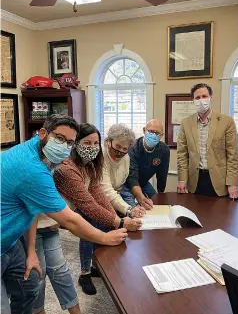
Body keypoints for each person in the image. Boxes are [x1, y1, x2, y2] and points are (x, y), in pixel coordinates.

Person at [1, 114, 127, 314]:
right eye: (59, 139)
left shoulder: (44, 154)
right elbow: (72, 220)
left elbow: (30, 208)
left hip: (14, 237)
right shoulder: (35, 169)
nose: (64, 146)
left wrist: (120, 220)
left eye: (69, 142)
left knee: (32, 286)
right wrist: (107, 235)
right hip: (13, 233)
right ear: (43, 133)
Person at [54, 123, 142, 295]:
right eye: (87, 143)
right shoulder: (66, 168)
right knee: (89, 222)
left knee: (102, 220)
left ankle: (96, 264)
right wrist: (120, 220)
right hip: (54, 214)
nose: (93, 148)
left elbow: (97, 191)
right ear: (76, 142)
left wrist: (115, 219)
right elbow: (87, 204)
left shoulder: (90, 163)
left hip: (77, 204)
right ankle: (85, 273)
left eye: (95, 143)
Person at [177, 83, 238, 198]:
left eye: (204, 96)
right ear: (193, 100)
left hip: (220, 182)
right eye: (197, 97)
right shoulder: (186, 123)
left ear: (210, 97)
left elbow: (233, 156)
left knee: (221, 214)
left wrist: (232, 183)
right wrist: (182, 179)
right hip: (195, 181)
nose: (201, 100)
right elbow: (182, 154)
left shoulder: (226, 122)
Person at [122, 120, 170, 210]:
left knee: (156, 203)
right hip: (126, 183)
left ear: (162, 135)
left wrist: (161, 194)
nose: (153, 135)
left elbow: (162, 175)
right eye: (151, 131)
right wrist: (140, 198)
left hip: (143, 183)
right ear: (144, 130)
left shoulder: (164, 150)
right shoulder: (133, 147)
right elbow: (132, 177)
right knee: (133, 207)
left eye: (157, 133)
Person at [102, 123, 146, 218]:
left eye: (125, 148)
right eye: (118, 146)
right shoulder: (101, 157)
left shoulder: (126, 158)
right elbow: (107, 191)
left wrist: (133, 207)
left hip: (118, 194)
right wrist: (128, 209)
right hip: (101, 198)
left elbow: (121, 187)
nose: (120, 151)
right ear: (109, 141)